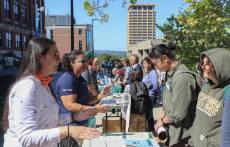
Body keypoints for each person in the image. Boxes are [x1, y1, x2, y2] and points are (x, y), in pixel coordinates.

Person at [3, 38, 100, 147]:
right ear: (40, 57)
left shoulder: (43, 85)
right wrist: (69, 130)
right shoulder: (27, 87)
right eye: (55, 54)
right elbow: (26, 138)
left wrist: (74, 117)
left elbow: (47, 121)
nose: (59, 59)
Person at [150, 43, 197, 147]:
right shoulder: (170, 73)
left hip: (183, 136)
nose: (155, 67)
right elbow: (167, 103)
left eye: (155, 64)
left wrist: (162, 121)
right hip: (173, 132)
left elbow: (178, 114)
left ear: (164, 59)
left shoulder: (181, 78)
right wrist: (159, 120)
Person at [191, 48, 230, 147]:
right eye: (202, 63)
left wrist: (210, 144)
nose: (203, 66)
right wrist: (192, 139)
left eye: (208, 63)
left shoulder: (227, 92)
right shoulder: (206, 86)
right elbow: (199, 116)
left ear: (221, 67)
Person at [141, 57, 159, 131]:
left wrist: (147, 89)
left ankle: (151, 129)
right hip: (147, 95)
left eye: (145, 63)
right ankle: (150, 128)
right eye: (143, 63)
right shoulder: (148, 72)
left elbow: (155, 85)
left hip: (150, 95)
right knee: (148, 113)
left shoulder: (153, 72)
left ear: (150, 64)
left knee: (149, 113)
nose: (143, 65)